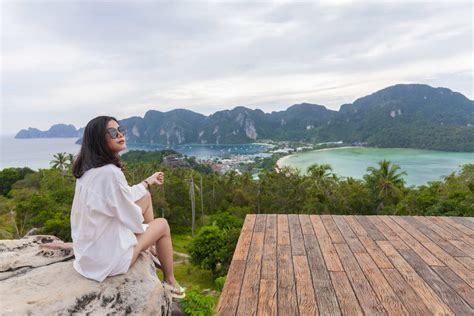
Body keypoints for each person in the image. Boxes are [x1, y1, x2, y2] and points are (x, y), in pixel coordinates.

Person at [70, 115, 185, 299]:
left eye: (121, 130)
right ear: (99, 138)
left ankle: (151, 247)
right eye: (113, 132)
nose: (120, 134)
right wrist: (145, 233)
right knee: (162, 224)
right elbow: (132, 219)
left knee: (145, 196)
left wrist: (147, 182)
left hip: (88, 256)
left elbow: (121, 197)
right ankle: (170, 281)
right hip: (108, 262)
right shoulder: (110, 173)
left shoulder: (87, 170)